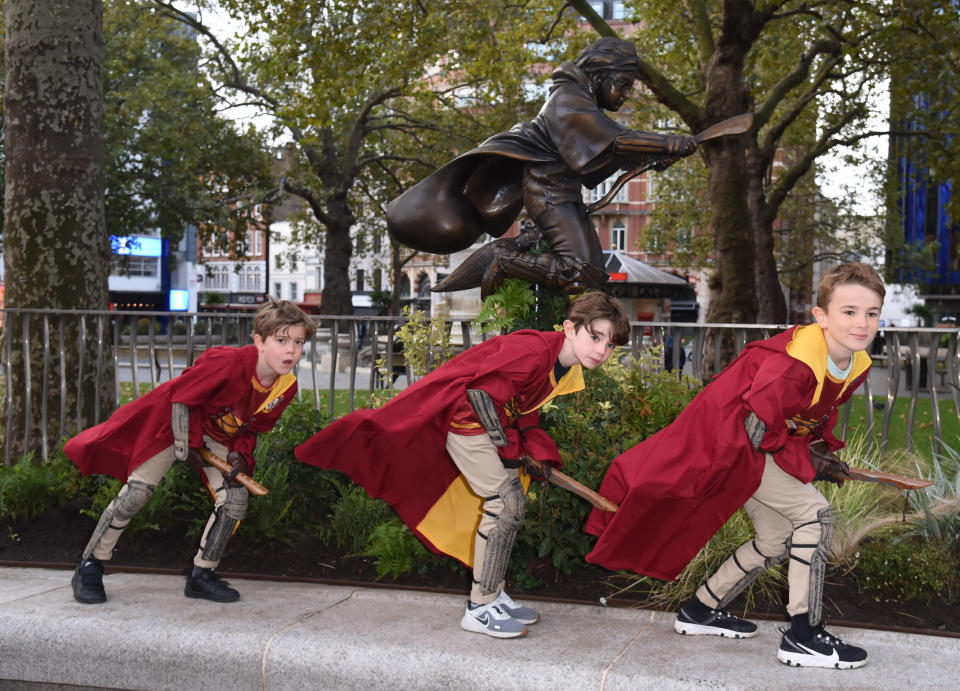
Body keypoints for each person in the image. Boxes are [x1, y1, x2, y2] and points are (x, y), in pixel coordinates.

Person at [585, 262, 885, 669]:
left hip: (757, 445)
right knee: (815, 516)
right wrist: (808, 463)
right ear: (821, 316)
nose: (861, 323)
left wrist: (820, 450)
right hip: (733, 445)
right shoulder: (794, 361)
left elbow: (810, 414)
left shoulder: (856, 360)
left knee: (776, 537)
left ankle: (700, 610)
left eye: (871, 313)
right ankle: (804, 635)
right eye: (849, 312)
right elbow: (757, 429)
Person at [296, 291, 630, 638]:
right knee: (504, 502)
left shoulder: (564, 364)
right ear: (569, 328)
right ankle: (480, 608)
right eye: (595, 336)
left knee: (511, 505)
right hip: (466, 421)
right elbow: (481, 397)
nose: (602, 350)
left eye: (610, 344)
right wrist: (507, 449)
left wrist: (535, 451)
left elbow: (522, 407)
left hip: (486, 423)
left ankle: (493, 592)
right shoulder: (534, 351)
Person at [387, 37, 698, 294]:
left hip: (566, 196)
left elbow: (594, 161)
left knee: (594, 279)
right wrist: (664, 142)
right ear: (599, 76)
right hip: (550, 197)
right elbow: (614, 140)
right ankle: (505, 262)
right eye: (622, 83)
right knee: (579, 274)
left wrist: (650, 158)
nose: (627, 94)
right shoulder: (568, 100)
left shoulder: (579, 102)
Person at [67, 299, 315, 604]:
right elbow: (183, 400)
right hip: (174, 424)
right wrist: (189, 444)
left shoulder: (285, 386)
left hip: (213, 435)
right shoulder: (227, 362)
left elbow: (250, 428)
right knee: (137, 493)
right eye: (281, 340)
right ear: (259, 342)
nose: (291, 350)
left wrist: (239, 456)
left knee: (235, 500)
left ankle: (202, 575)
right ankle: (90, 565)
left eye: (299, 342)